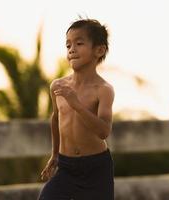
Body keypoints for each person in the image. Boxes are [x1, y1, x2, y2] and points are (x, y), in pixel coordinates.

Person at [38, 18, 115, 200]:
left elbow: (104, 131)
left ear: (99, 50)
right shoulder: (58, 86)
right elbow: (56, 119)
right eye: (68, 45)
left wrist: (76, 105)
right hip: (66, 167)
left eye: (79, 43)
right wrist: (55, 154)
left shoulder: (103, 90)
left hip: (96, 168)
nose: (71, 49)